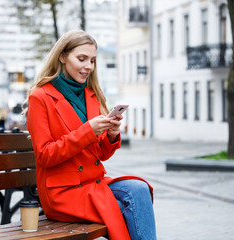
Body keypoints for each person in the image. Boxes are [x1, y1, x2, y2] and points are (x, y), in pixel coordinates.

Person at [25, 29, 156, 240]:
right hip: (62, 193)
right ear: (62, 56)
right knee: (130, 206)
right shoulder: (41, 97)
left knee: (139, 190)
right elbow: (45, 156)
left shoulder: (92, 94)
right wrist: (88, 131)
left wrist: (111, 135)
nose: (89, 66)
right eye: (82, 58)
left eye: (93, 60)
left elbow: (100, 155)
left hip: (94, 183)